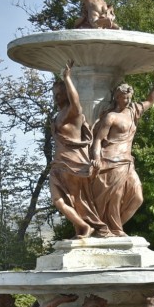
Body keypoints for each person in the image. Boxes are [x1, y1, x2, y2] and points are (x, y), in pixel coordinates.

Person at [87, 69, 154, 237]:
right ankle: (114, 230)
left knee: (137, 197)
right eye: (124, 97)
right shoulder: (111, 117)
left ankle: (111, 228)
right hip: (111, 160)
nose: (128, 100)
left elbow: (150, 100)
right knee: (115, 197)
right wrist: (96, 158)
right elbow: (98, 140)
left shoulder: (133, 111)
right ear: (117, 97)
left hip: (127, 162)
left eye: (129, 97)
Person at [49, 62, 99, 238]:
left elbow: (76, 101)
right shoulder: (57, 116)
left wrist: (67, 78)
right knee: (58, 201)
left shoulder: (73, 114)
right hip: (58, 164)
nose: (56, 98)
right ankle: (83, 226)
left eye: (59, 94)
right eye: (54, 95)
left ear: (67, 94)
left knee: (76, 200)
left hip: (72, 164)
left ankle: (86, 227)